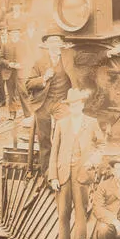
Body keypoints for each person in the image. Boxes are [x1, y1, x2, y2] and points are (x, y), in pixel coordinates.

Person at [48, 88, 104, 239]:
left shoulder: (92, 122)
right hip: (63, 174)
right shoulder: (61, 124)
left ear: (82, 104)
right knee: (63, 215)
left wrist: (93, 161)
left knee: (81, 214)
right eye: (71, 105)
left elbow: (102, 146)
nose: (74, 107)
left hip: (82, 175)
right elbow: (54, 152)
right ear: (68, 107)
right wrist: (53, 177)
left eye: (77, 104)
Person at [27, 33, 73, 172]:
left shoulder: (69, 60)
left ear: (61, 44)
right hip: (44, 103)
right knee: (44, 138)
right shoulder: (39, 63)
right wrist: (44, 78)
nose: (54, 45)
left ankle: (62, 168)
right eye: (51, 42)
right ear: (46, 45)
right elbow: (28, 84)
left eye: (57, 41)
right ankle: (46, 171)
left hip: (62, 102)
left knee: (65, 134)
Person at [0, 27, 26, 119]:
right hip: (9, 73)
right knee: (11, 93)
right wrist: (9, 63)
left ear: (19, 34)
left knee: (23, 92)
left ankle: (27, 113)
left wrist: (22, 64)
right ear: (9, 35)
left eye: (16, 33)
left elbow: (29, 57)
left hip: (21, 72)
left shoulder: (23, 44)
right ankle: (12, 113)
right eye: (12, 33)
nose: (14, 35)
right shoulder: (5, 45)